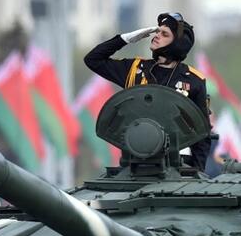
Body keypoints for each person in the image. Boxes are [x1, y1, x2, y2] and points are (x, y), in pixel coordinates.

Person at [84, 12, 211, 171]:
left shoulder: (193, 80)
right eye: (157, 31)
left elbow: (202, 132)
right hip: (134, 161)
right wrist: (125, 39)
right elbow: (93, 60)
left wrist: (196, 172)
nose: (156, 35)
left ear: (177, 43)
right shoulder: (135, 69)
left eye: (164, 34)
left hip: (176, 165)